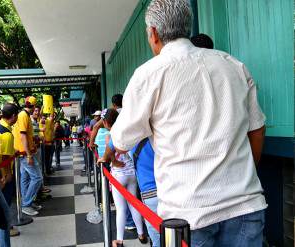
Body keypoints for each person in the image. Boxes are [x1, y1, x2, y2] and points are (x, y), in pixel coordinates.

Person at [110, 1, 267, 246]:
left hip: (187, 215)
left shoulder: (149, 75)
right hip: (245, 206)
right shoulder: (233, 65)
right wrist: (245, 175)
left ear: (153, 33)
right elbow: (256, 129)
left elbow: (121, 141)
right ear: (188, 25)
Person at [99, 108, 147, 247]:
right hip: (131, 172)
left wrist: (110, 160)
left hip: (119, 175)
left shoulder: (111, 134)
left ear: (106, 122)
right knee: (134, 204)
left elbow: (109, 152)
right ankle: (141, 234)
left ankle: (119, 240)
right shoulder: (126, 131)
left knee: (121, 208)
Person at [0, 103, 20, 238]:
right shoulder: (7, 134)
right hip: (2, 174)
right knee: (5, 203)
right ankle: (5, 229)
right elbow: (5, 157)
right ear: (13, 116)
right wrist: (7, 176)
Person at [13, 96, 43, 216]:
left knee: (25, 178)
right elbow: (23, 136)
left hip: (23, 152)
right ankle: (26, 203)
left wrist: (33, 140)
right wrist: (29, 155)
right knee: (37, 178)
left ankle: (27, 202)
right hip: (24, 154)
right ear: (34, 106)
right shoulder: (24, 116)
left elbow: (26, 135)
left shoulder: (23, 115)